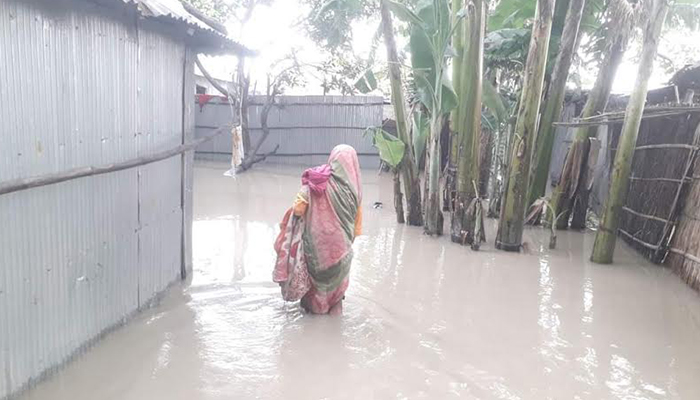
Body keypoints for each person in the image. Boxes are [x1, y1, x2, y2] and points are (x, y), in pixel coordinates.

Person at [273, 145, 362, 315]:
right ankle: (335, 335)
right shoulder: (356, 193)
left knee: (315, 293)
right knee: (337, 297)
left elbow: (298, 210)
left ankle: (313, 330)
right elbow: (356, 229)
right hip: (341, 253)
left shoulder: (317, 181)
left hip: (316, 249)